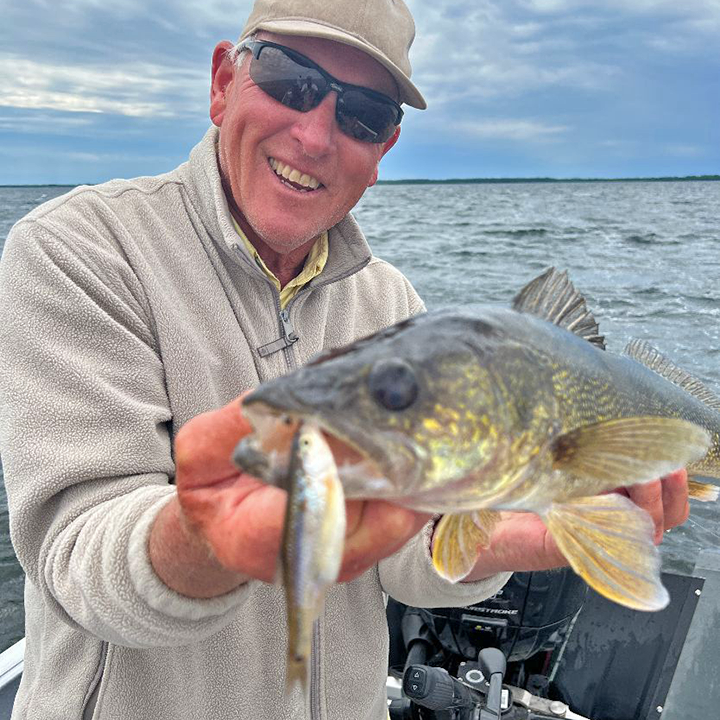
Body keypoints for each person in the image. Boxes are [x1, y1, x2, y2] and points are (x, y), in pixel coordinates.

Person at [0, 0, 690, 718]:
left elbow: (405, 550)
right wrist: (205, 543)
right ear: (221, 83)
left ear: (384, 151)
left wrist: (504, 541)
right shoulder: (78, 250)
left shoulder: (391, 301)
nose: (315, 132)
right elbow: (74, 557)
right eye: (290, 80)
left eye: (363, 113)